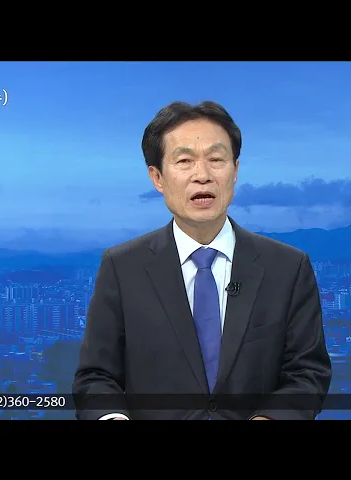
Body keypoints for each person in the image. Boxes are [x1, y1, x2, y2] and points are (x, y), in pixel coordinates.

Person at [72, 101, 332, 420]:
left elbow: (308, 374)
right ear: (157, 177)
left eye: (216, 159)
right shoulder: (122, 267)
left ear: (235, 171)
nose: (203, 176)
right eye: (184, 161)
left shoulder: (288, 267)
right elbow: (95, 378)